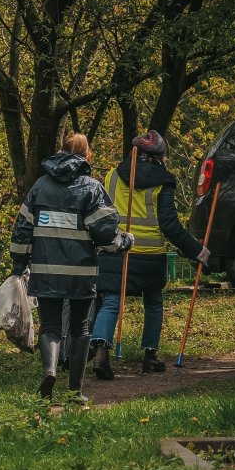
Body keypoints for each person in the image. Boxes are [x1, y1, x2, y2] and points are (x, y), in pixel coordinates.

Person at [11, 132, 133, 402]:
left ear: (61, 152)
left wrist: (19, 265)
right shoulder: (91, 188)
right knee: (80, 329)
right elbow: (105, 234)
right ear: (87, 156)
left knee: (51, 326)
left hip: (45, 271)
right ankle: (75, 391)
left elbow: (22, 230)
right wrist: (124, 241)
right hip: (81, 273)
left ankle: (50, 371)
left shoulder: (40, 186)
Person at [91, 130, 210, 378]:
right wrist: (196, 250)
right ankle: (150, 356)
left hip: (116, 249)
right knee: (153, 304)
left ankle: (101, 352)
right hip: (150, 254)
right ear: (159, 156)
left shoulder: (112, 175)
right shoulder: (163, 182)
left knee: (112, 301)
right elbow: (169, 225)